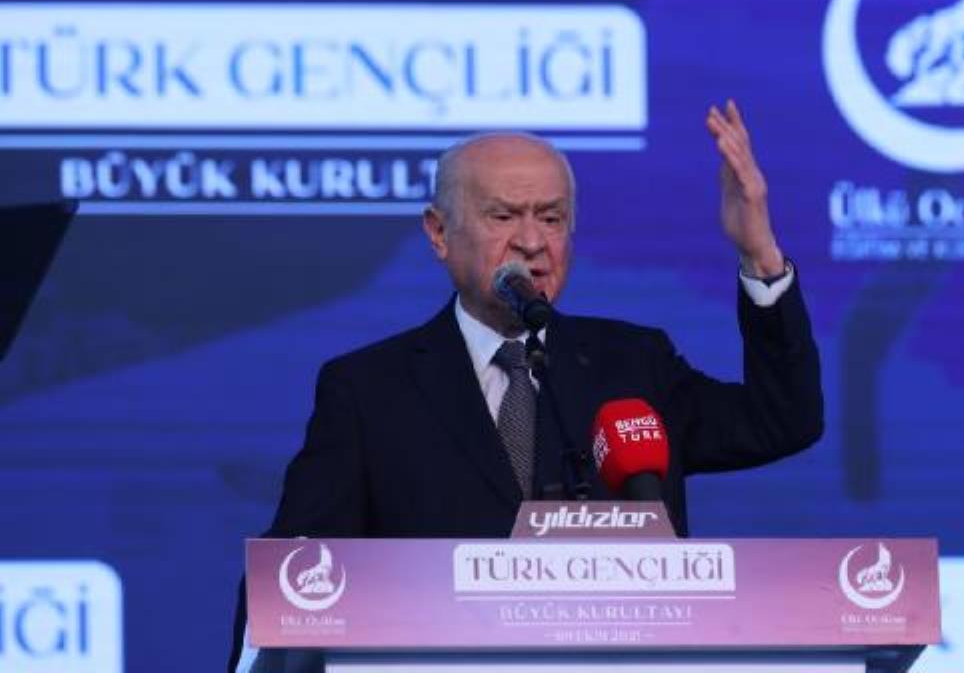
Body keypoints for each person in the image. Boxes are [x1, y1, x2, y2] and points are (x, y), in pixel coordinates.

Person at [228, 100, 824, 671]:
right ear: (439, 232)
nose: (532, 242)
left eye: (552, 218)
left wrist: (760, 256)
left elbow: (783, 420)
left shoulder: (632, 364)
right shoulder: (368, 390)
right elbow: (294, 573)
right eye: (504, 216)